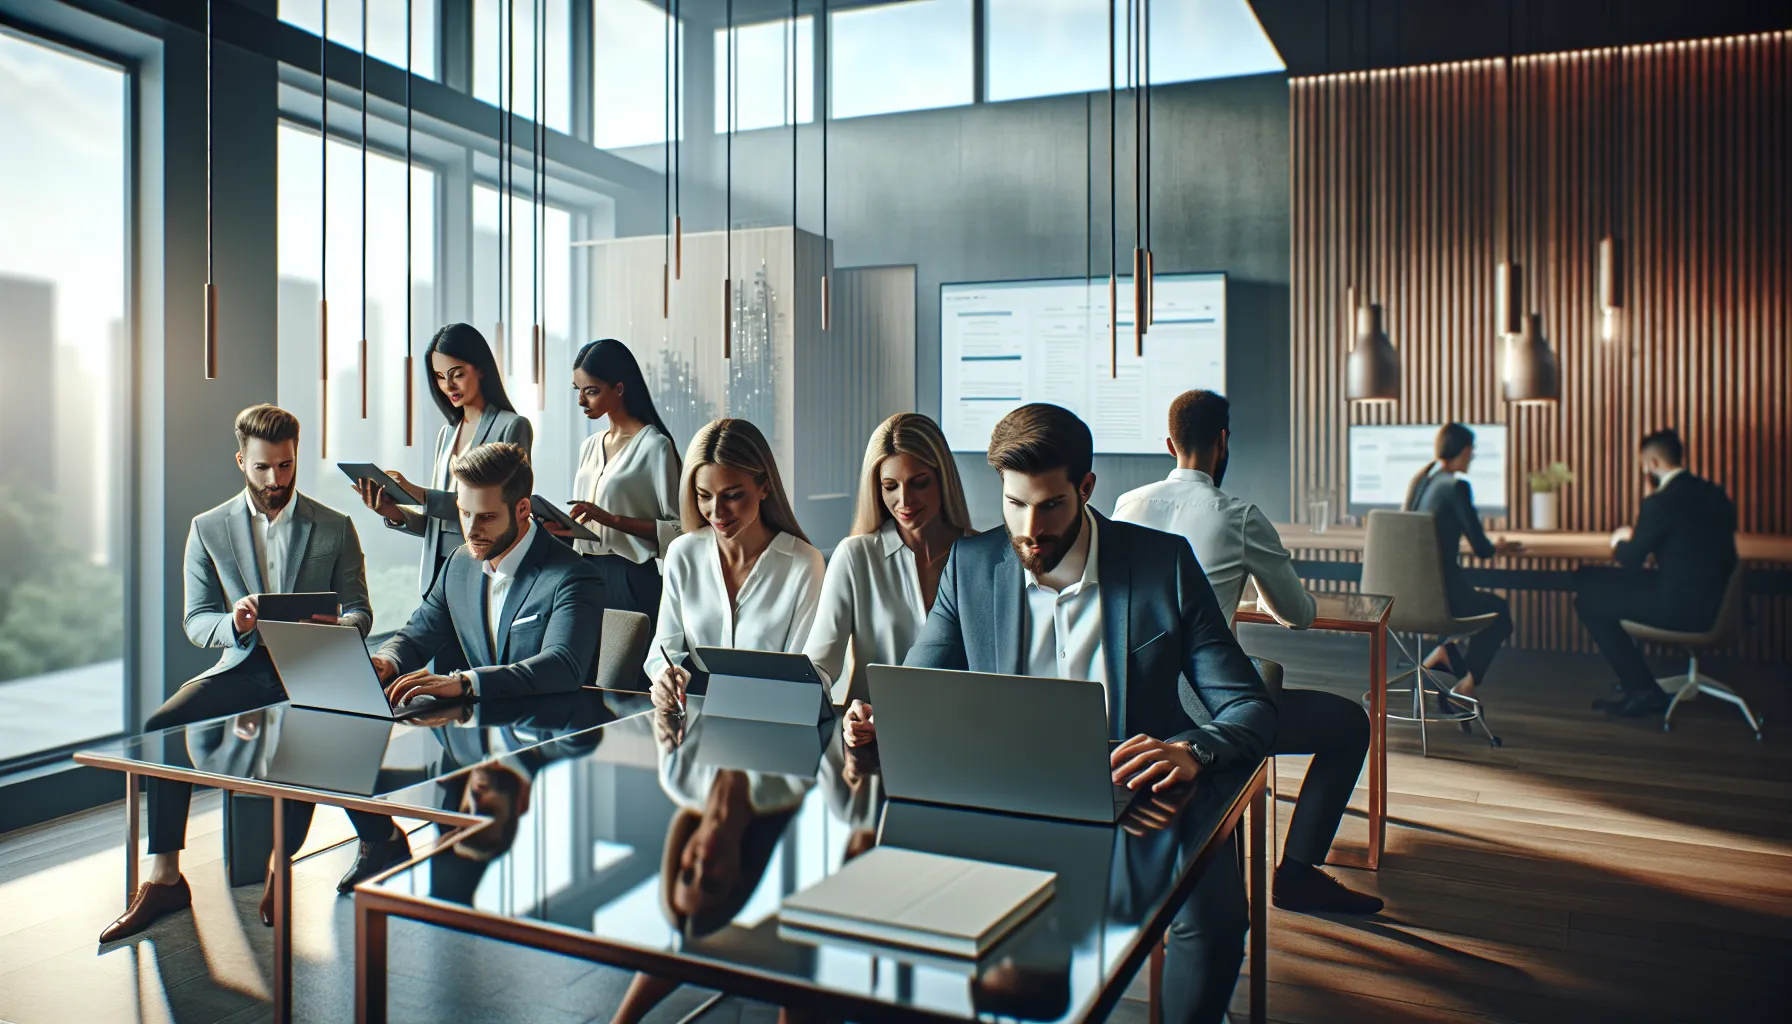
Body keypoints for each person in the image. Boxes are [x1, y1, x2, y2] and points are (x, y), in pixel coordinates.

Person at [845, 403, 1276, 1024]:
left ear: (1086, 489)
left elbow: (1248, 705)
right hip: (1005, 801)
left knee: (1214, 923)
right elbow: (916, 681)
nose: (1029, 527)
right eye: (1015, 504)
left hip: (1133, 800)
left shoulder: (1164, 566)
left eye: (1049, 505)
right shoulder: (972, 567)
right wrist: (882, 713)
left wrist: (1191, 750)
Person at [101, 405, 373, 943]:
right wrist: (234, 622)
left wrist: (343, 625)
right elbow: (195, 620)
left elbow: (362, 609)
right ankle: (165, 876)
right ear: (241, 461)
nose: (276, 480)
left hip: (317, 664)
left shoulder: (335, 526)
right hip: (245, 663)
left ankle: (280, 869)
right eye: (263, 468)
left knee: (307, 737)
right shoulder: (207, 528)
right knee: (163, 724)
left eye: (286, 466)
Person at [1113, 389, 1381, 915]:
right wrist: (1257, 589)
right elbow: (1297, 614)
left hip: (1132, 703)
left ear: (1169, 444)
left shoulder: (1127, 505)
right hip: (1207, 712)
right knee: (1349, 724)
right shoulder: (1238, 515)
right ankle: (1298, 875)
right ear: (1223, 442)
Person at [344, 442, 607, 890]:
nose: (471, 529)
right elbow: (419, 631)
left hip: (543, 730)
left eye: (486, 517)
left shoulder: (571, 575)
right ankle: (381, 840)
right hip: (472, 733)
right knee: (342, 750)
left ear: (523, 509)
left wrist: (463, 682)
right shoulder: (460, 565)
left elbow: (563, 666)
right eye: (465, 514)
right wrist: (386, 661)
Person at [354, 324, 533, 636]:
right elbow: (441, 527)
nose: (448, 384)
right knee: (435, 672)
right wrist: (394, 514)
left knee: (467, 675)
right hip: (438, 576)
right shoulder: (447, 434)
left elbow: (495, 512)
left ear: (480, 369)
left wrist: (419, 494)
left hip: (483, 571)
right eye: (439, 376)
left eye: (457, 372)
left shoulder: (512, 427)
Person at [646, 419, 827, 712]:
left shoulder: (804, 564)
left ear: (764, 487)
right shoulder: (682, 553)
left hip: (774, 724)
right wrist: (665, 676)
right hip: (696, 725)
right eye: (704, 496)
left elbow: (804, 675)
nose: (716, 512)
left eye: (732, 495)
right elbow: (664, 649)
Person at [804, 412, 976, 707]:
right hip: (874, 734)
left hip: (964, 732)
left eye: (919, 482)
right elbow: (818, 666)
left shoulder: (982, 556)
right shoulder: (855, 557)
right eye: (890, 486)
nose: (905, 501)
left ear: (943, 478)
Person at [1576, 429, 1739, 718]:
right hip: (1716, 603)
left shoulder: (1661, 502)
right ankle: (1639, 683)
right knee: (1590, 579)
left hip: (1680, 608)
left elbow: (1632, 558)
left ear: (1652, 463)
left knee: (1587, 600)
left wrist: (1620, 540)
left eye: (1643, 465)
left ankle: (1643, 692)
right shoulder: (1715, 494)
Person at [541, 339, 681, 629]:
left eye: (590, 391)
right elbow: (589, 522)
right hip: (584, 570)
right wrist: (567, 531)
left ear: (619, 388)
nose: (581, 400)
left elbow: (680, 529)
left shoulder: (655, 447)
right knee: (587, 667)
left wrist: (613, 520)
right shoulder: (589, 446)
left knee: (627, 669)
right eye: (577, 391)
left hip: (629, 577)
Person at [1402, 422, 1520, 706]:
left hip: (1411, 594)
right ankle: (1465, 685)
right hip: (1443, 596)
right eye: (1473, 451)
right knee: (1500, 613)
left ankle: (1446, 653)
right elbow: (1481, 549)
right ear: (1465, 451)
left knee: (1481, 611)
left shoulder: (1423, 481)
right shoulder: (1456, 487)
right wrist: (1497, 547)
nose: (1473, 457)